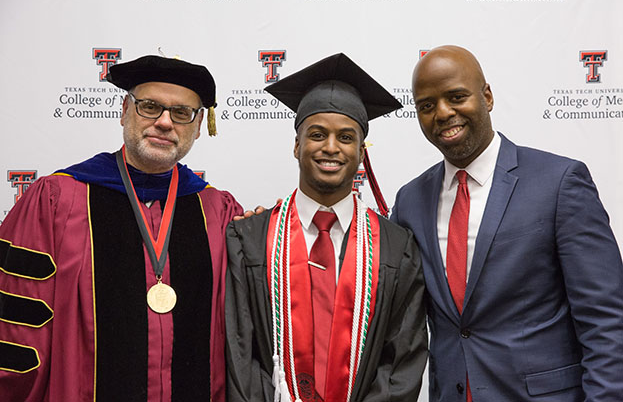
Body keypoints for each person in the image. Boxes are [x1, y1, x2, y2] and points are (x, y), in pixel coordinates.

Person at [0, 55, 242, 402]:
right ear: (124, 111)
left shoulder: (218, 211)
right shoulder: (56, 202)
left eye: (181, 113)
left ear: (199, 125)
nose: (164, 122)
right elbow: (17, 330)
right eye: (149, 107)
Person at [391, 45, 623, 401]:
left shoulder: (559, 182)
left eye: (456, 97)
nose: (442, 113)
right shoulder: (410, 200)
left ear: (487, 96)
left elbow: (606, 322)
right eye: (426, 105)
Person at [225, 53, 428, 402]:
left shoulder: (397, 247)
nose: (331, 147)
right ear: (296, 145)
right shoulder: (250, 240)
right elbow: (240, 352)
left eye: (346, 137)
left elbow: (401, 361)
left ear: (362, 153)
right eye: (317, 134)